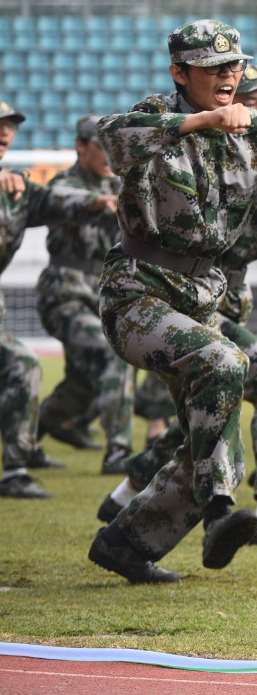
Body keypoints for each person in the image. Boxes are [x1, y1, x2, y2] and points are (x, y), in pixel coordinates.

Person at [88, 20, 257, 584]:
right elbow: (113, 138)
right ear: (180, 73)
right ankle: (219, 513)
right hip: (137, 295)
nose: (229, 77)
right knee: (223, 362)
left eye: (234, 66)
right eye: (214, 68)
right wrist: (202, 121)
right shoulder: (156, 117)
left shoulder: (255, 135)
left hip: (201, 299)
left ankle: (128, 542)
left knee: (210, 423)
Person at [0, 100, 97, 500]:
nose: (5, 133)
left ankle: (15, 470)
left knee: (21, 363)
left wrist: (104, 203)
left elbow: (60, 201)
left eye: (10, 127)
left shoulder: (16, 190)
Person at [36, 116, 131, 476]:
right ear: (80, 146)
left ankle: (25, 438)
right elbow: (60, 199)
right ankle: (119, 451)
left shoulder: (122, 184)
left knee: (80, 385)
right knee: (113, 356)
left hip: (102, 295)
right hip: (64, 295)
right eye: (98, 144)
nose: (108, 153)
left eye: (112, 144)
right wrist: (100, 201)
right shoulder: (66, 182)